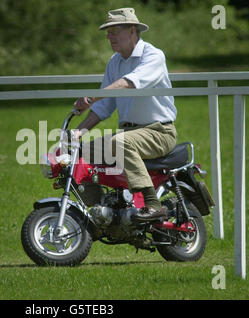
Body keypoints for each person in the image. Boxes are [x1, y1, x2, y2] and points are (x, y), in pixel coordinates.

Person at [73, 8, 177, 221]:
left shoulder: (153, 55)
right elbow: (105, 105)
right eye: (107, 32)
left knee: (122, 142)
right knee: (80, 152)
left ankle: (153, 204)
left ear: (132, 31)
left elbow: (129, 84)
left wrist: (92, 97)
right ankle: (99, 212)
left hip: (159, 132)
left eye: (114, 31)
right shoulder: (115, 61)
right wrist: (77, 132)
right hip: (129, 134)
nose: (109, 37)